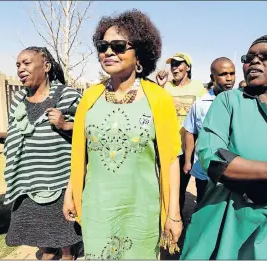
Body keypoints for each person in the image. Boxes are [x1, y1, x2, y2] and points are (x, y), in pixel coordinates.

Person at [63, 9, 182, 259]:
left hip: (142, 210)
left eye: (118, 46)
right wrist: (70, 193)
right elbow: (79, 155)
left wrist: (174, 214)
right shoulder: (89, 98)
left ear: (139, 53)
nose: (108, 52)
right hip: (97, 209)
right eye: (102, 45)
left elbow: (171, 160)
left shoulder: (159, 99)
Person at [181, 33, 267, 260]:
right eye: (250, 57)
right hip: (228, 216)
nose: (254, 61)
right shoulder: (228, 101)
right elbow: (213, 159)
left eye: (266, 56)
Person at [0, 47, 82, 260]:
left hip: (60, 183)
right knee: (43, 243)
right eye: (17, 65)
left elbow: (88, 133)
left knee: (65, 243)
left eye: (26, 63)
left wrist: (65, 124)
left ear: (46, 66)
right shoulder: (18, 102)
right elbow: (17, 136)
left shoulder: (68, 97)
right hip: (28, 184)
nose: (20, 69)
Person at [156, 53, 207, 221]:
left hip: (190, 146)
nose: (174, 68)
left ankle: (181, 219)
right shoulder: (167, 87)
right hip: (170, 145)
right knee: (172, 187)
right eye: (173, 64)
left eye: (179, 64)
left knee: (187, 185)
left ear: (188, 67)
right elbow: (157, 107)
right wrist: (161, 86)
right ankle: (172, 219)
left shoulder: (199, 88)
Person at [183, 57, 236, 204]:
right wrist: (188, 161)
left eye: (232, 73)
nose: (229, 78)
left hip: (233, 171)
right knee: (203, 207)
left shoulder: (241, 103)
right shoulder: (200, 105)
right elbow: (190, 132)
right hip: (205, 171)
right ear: (212, 77)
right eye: (224, 74)